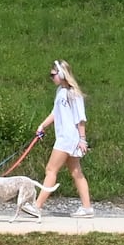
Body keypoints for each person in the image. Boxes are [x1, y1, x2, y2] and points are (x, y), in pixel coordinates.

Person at [32, 59, 91, 216]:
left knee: (51, 169)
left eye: (53, 75)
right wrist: (42, 126)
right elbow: (55, 113)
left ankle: (37, 206)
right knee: (76, 172)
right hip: (65, 137)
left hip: (68, 138)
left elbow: (80, 119)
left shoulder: (74, 94)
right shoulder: (60, 92)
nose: (52, 78)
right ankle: (87, 207)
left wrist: (82, 139)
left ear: (62, 74)